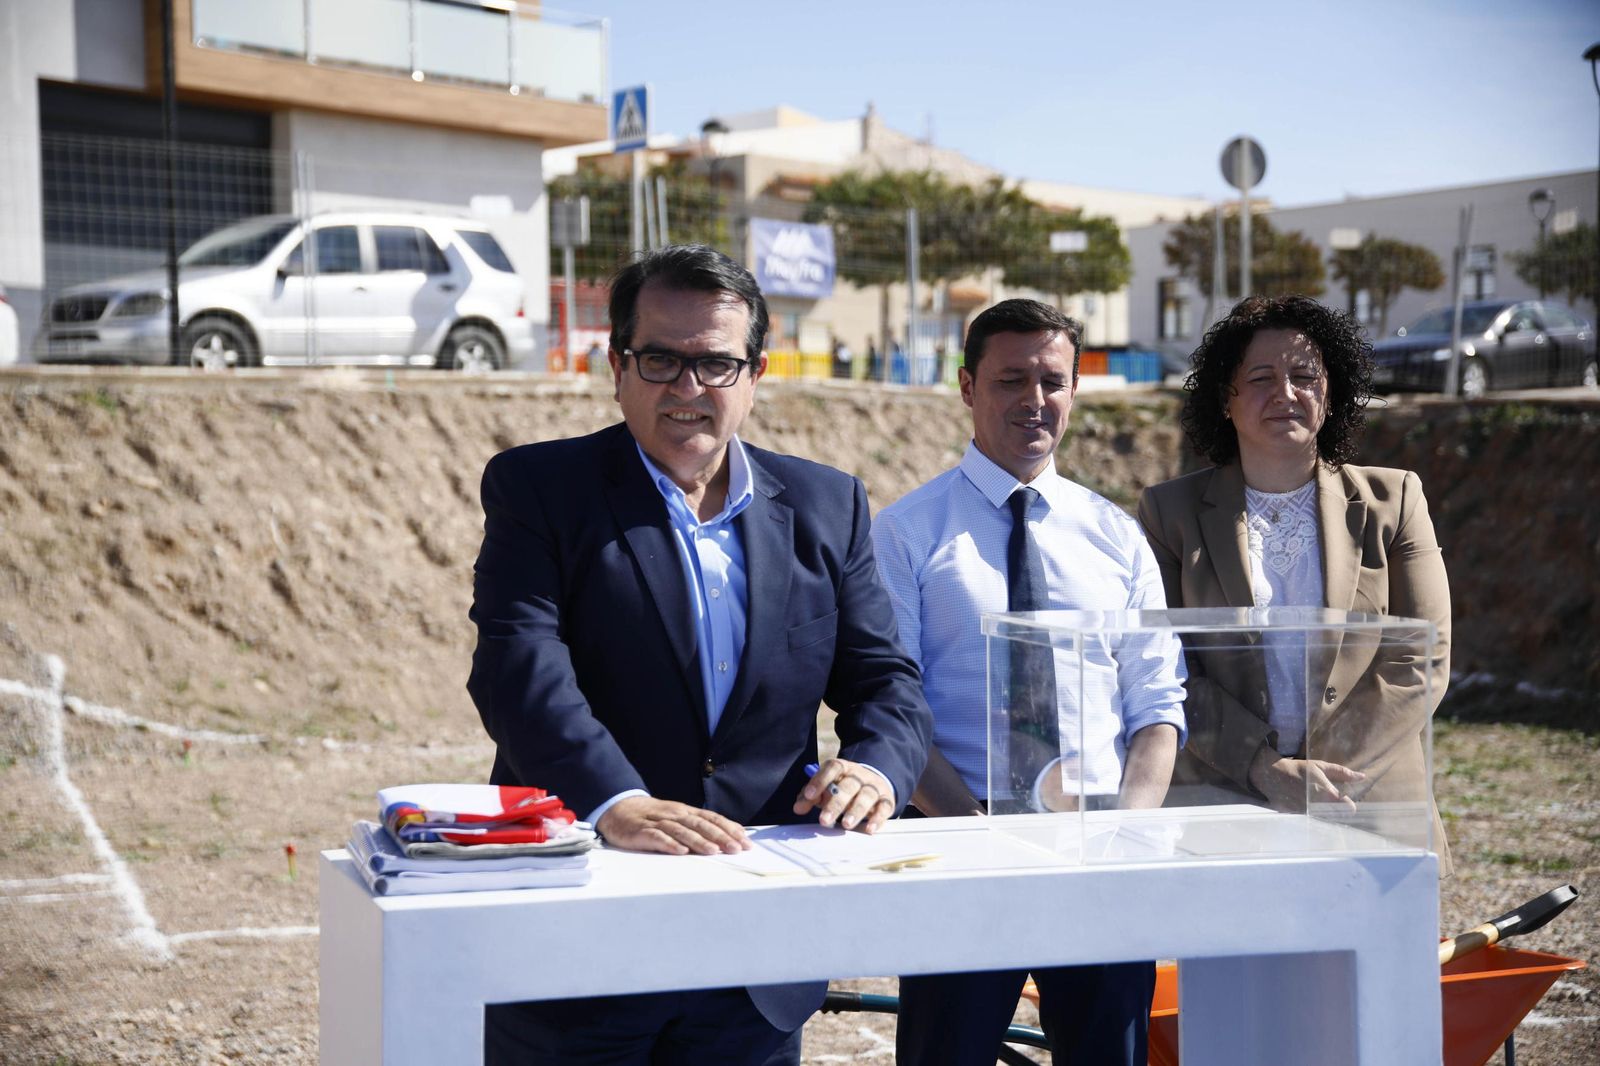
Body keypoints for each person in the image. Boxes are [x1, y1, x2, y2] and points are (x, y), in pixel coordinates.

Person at [467, 244, 933, 1065]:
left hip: (754, 957)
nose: (688, 388)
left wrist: (878, 769)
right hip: (583, 933)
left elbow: (884, 680)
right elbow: (517, 669)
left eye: (715, 363)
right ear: (616, 367)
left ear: (754, 374)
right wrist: (616, 801)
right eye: (661, 360)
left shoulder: (829, 504)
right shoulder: (541, 488)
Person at [873, 298, 1185, 1066]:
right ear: (967, 386)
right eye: (1011, 379)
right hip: (960, 854)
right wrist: (978, 831)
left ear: (1075, 390)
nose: (1034, 400)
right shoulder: (906, 535)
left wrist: (1126, 831)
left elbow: (1157, 703)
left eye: (1052, 380)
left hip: (1098, 859)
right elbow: (893, 708)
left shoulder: (1117, 537)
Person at [1136, 294, 1452, 872]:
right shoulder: (1169, 513)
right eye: (1261, 378)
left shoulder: (1396, 499)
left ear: (1330, 395)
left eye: (1305, 375)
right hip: (1225, 810)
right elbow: (1167, 669)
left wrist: (1322, 784)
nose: (1286, 393)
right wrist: (1266, 768)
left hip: (1367, 807)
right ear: (1225, 399)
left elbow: (1421, 658)